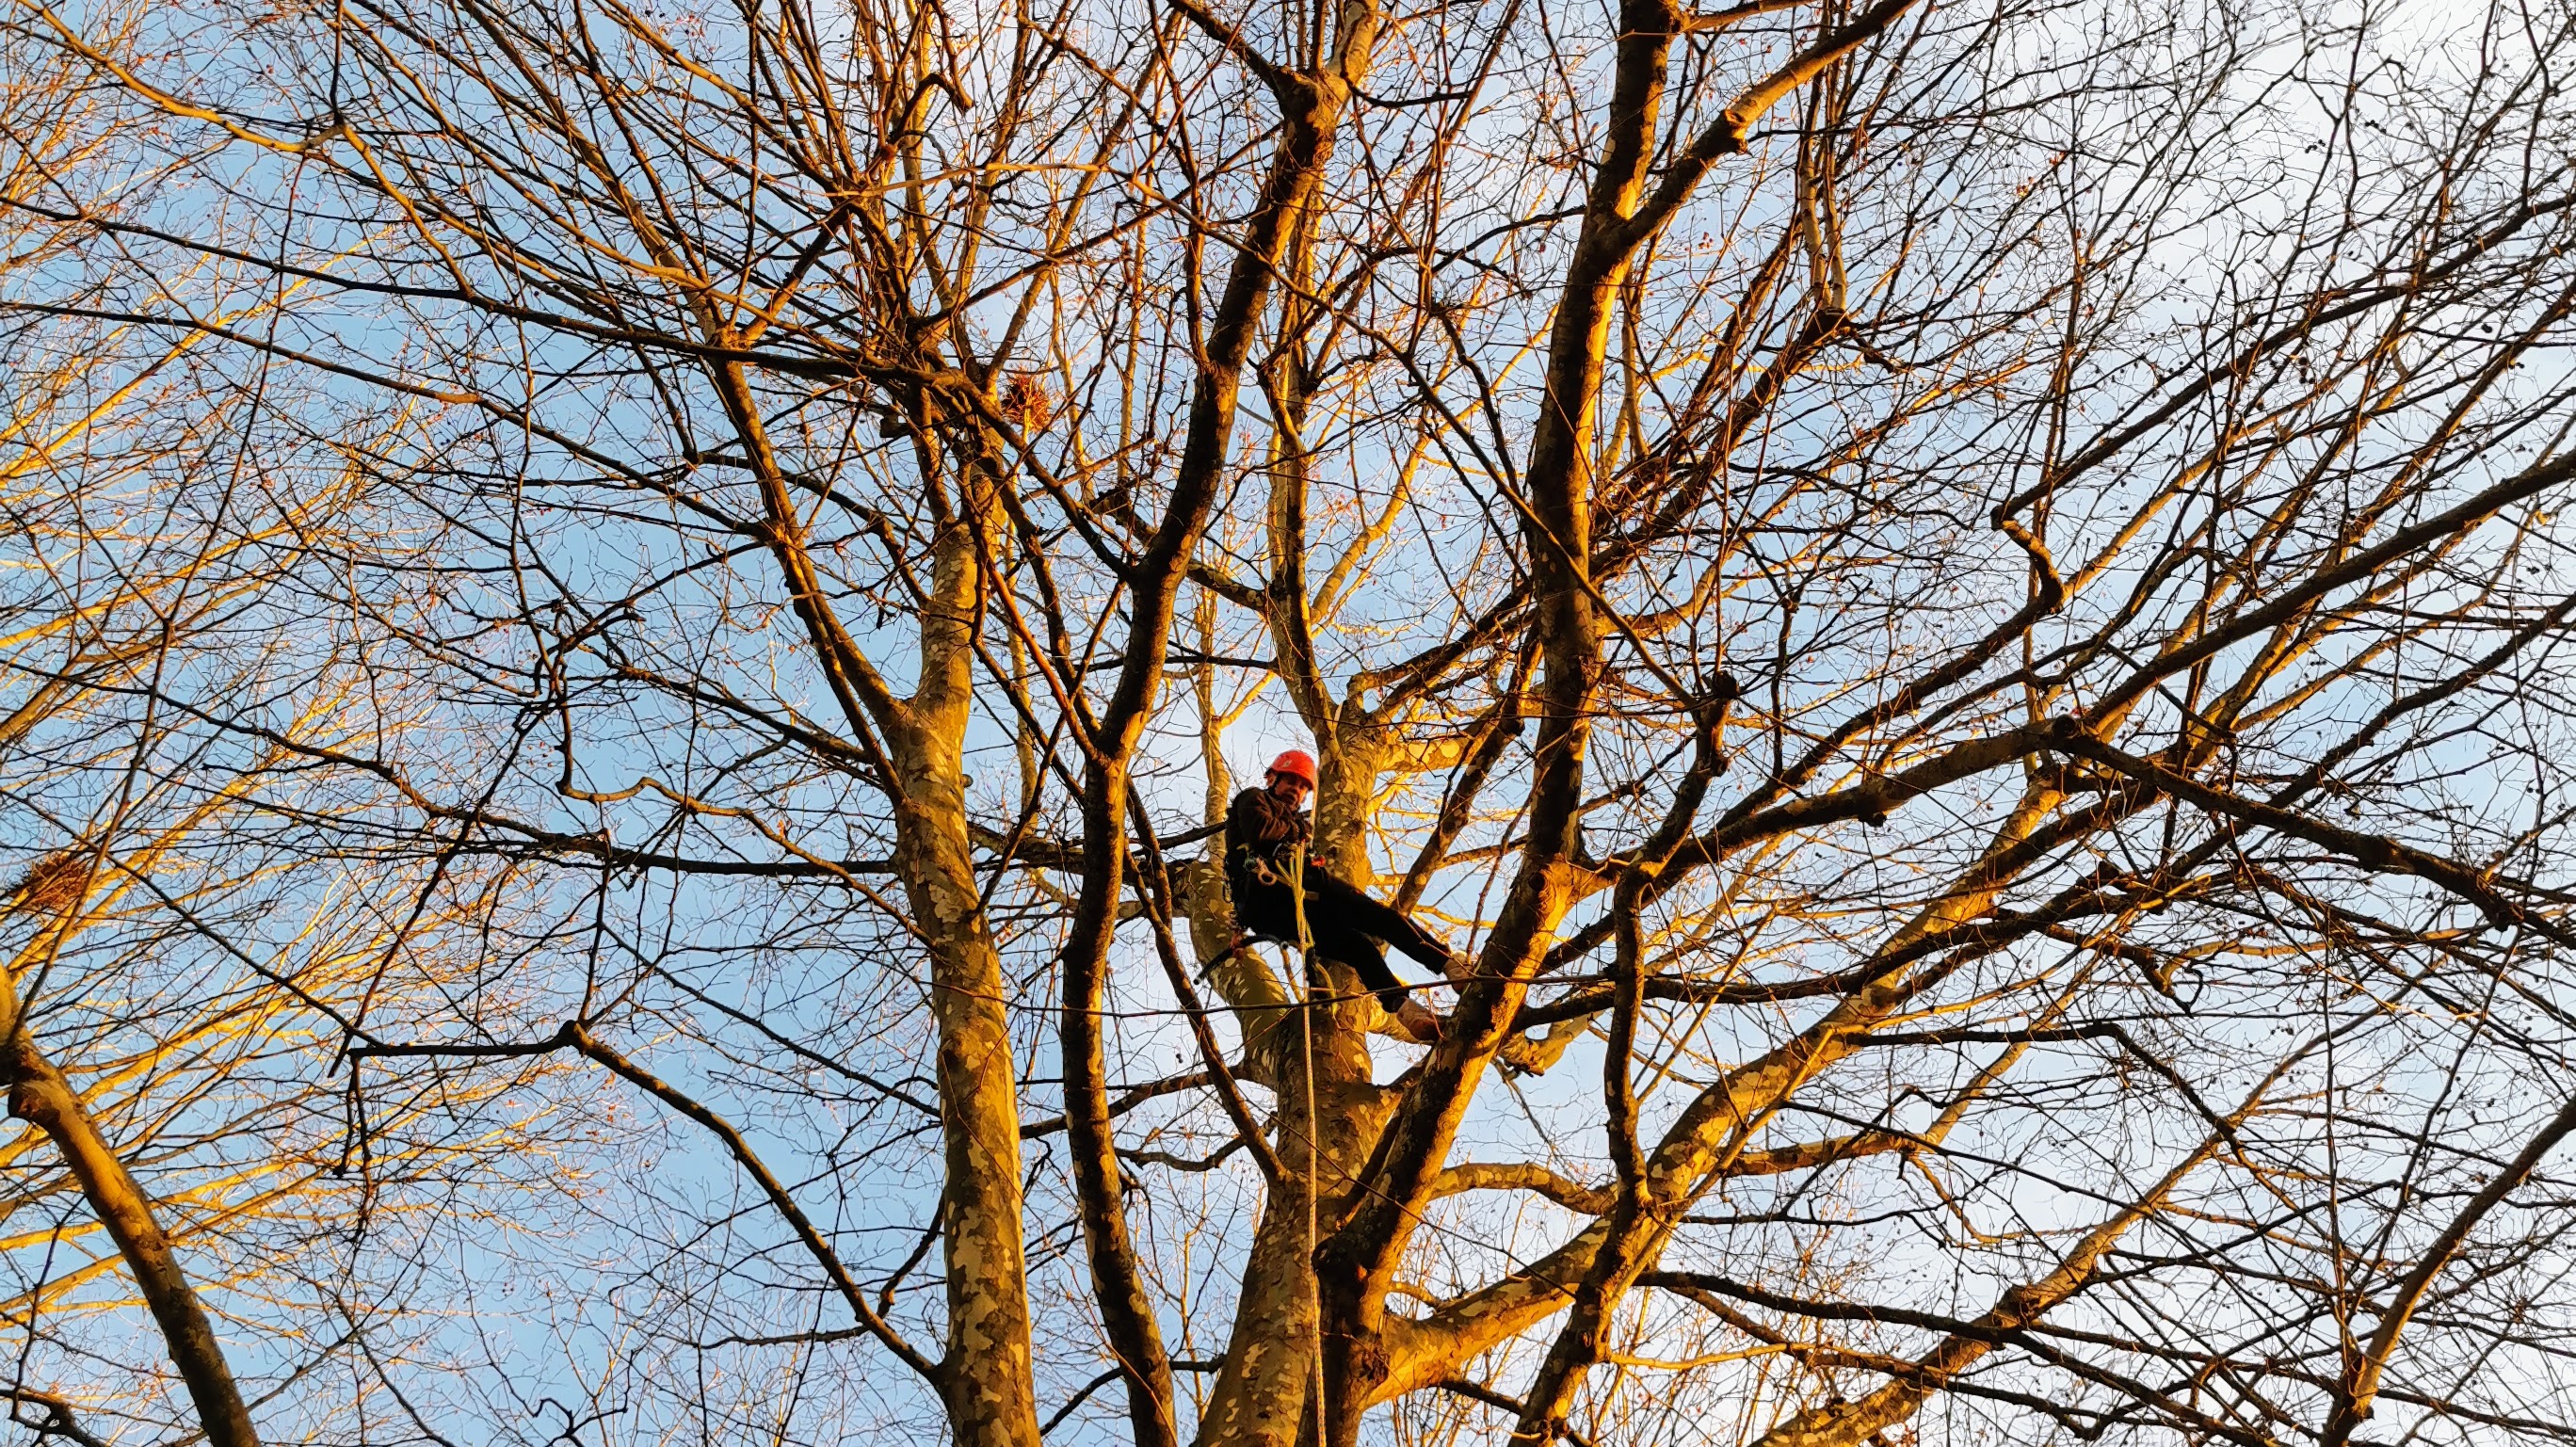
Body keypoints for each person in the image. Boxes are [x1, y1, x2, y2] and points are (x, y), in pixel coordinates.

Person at [1227, 748, 1452, 1042]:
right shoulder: (1254, 798)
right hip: (1276, 886)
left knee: (1359, 948)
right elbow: (1260, 830)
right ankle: (1446, 962)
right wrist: (1298, 834)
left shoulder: (1299, 825)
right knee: (1381, 919)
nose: (1296, 790)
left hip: (1284, 908)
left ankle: (1405, 1009)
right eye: (1290, 782)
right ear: (1274, 779)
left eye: (1302, 787)